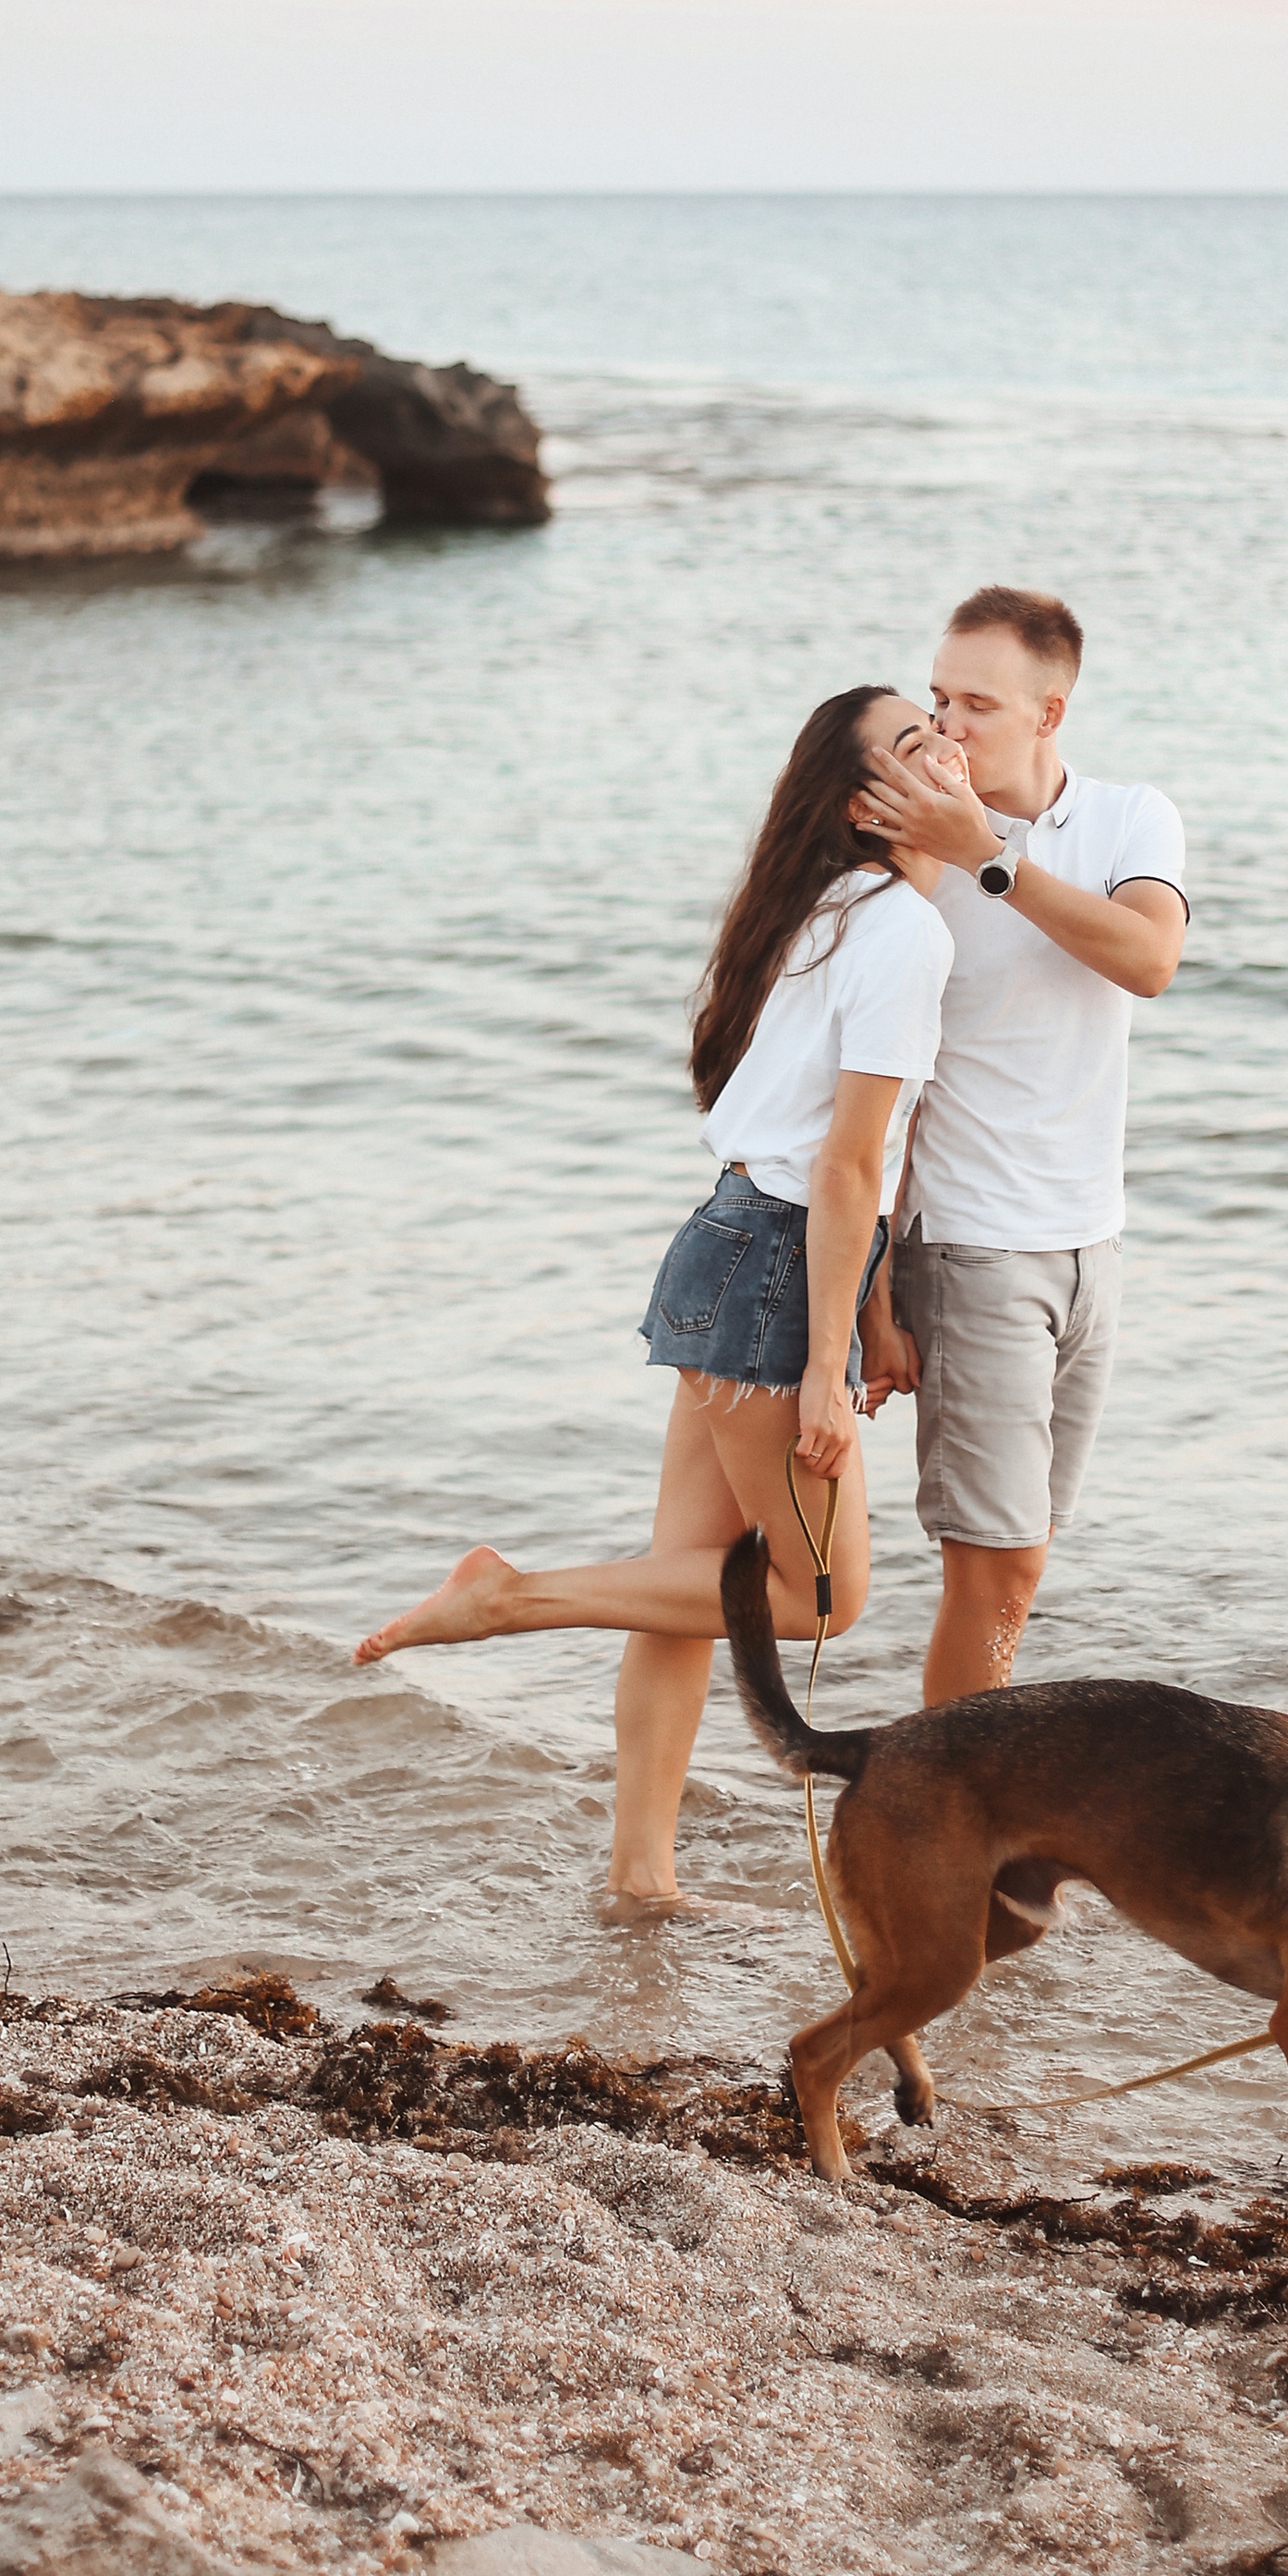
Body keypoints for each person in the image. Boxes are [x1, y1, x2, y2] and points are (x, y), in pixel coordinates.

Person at [351, 684, 950, 1915]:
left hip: (728, 1246)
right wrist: (828, 1364)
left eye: (940, 726)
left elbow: (833, 1150)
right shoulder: (900, 929)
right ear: (862, 806)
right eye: (913, 741)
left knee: (683, 1583)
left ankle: (638, 1879)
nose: (943, 744)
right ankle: (504, 1599)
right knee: (821, 1598)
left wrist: (871, 1311)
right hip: (776, 1269)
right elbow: (844, 1166)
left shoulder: (833, 911)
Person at [856, 584, 1187, 1704]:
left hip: (1093, 1244)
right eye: (937, 697)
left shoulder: (1130, 818)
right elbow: (875, 1093)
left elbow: (1147, 959)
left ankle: (968, 1784)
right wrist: (874, 1297)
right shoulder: (908, 850)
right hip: (969, 1247)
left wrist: (990, 857)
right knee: (989, 1572)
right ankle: (951, 1799)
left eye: (976, 705)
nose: (945, 725)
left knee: (1024, 1562)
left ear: (1048, 714)